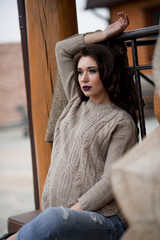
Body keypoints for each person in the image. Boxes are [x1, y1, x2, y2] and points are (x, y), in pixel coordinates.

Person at [5, 12, 138, 240]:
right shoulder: (75, 103)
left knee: (54, 221)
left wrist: (66, 213)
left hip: (104, 220)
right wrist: (104, 33)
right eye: (79, 72)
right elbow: (62, 49)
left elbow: (109, 183)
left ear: (106, 72)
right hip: (59, 216)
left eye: (92, 71)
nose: (83, 78)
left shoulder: (121, 122)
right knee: (52, 221)